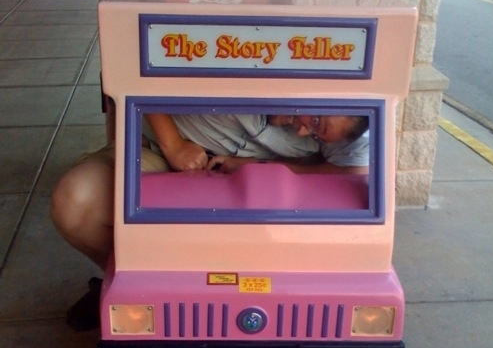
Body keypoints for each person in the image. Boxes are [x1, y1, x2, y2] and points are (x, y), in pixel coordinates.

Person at [51, 112, 369, 330]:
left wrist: (256, 166)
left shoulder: (352, 122)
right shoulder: (255, 47)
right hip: (163, 151)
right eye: (313, 120)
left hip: (254, 178)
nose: (304, 132)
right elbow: (140, 63)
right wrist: (173, 144)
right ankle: (126, 289)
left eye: (317, 133)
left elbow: (353, 172)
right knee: (75, 203)